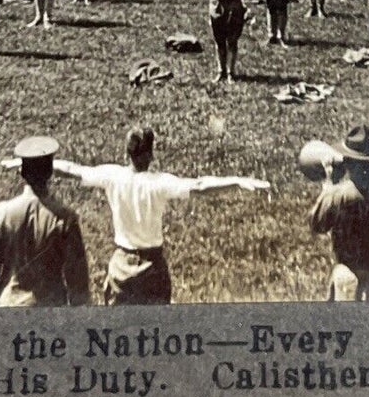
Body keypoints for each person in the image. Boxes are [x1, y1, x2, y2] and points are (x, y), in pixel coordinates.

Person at [54, 125, 269, 305]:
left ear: (127, 153)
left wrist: (32, 161)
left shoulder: (113, 176)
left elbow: (71, 169)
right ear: (150, 154)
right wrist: (238, 182)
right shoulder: (159, 183)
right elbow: (200, 186)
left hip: (120, 266)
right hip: (152, 267)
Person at [0, 135, 91, 307]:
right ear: (50, 172)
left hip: (8, 308)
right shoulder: (65, 218)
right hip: (50, 311)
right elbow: (78, 281)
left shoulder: (3, 213)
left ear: (22, 172)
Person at [309, 124, 369, 301]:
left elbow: (318, 224)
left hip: (350, 276)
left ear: (347, 160)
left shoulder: (339, 195)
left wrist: (329, 186)